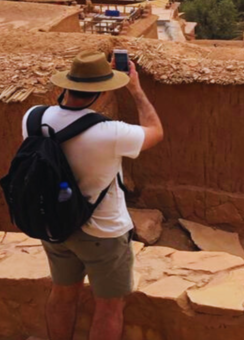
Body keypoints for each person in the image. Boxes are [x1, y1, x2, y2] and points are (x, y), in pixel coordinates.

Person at [24, 51, 163, 340]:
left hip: (55, 225)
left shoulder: (33, 118)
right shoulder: (110, 133)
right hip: (103, 232)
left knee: (62, 295)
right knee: (110, 307)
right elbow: (155, 131)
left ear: (67, 83)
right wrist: (136, 89)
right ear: (101, 90)